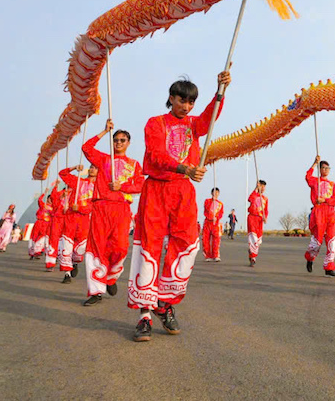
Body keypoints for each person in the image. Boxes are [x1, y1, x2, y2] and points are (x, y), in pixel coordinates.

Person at [128, 72, 228, 340]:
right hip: (156, 189)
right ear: (171, 98)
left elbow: (210, 118)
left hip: (182, 192)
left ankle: (165, 303)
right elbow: (156, 155)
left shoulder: (194, 125)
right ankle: (145, 315)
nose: (186, 106)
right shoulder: (156, 123)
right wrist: (185, 168)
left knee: (187, 245)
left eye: (191, 102)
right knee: (148, 247)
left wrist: (220, 90)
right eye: (182, 100)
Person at [83, 118, 143, 307]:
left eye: (122, 140)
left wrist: (122, 186)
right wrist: (104, 131)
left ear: (128, 143)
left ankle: (110, 276)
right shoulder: (103, 159)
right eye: (115, 140)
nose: (118, 143)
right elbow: (86, 148)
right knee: (97, 247)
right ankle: (96, 290)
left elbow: (140, 185)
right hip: (101, 207)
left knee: (120, 247)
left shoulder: (134, 165)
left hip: (121, 209)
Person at [58, 164, 96, 282]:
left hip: (84, 220)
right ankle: (67, 274)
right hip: (71, 217)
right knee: (66, 245)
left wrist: (80, 208)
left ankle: (75, 262)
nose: (92, 169)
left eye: (95, 168)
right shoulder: (79, 182)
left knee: (81, 247)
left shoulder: (99, 187)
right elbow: (62, 174)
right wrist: (74, 168)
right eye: (91, 167)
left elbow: (95, 206)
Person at [304, 156, 335, 277]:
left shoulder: (332, 184)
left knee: (332, 242)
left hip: (330, 213)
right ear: (320, 169)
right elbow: (307, 177)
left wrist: (325, 200)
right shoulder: (315, 181)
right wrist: (314, 163)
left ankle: (329, 267)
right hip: (319, 212)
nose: (326, 170)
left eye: (327, 168)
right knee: (317, 242)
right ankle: (310, 258)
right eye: (323, 168)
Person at [45, 178, 68, 272]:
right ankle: (50, 263)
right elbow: (53, 197)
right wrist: (56, 186)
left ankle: (66, 262)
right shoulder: (60, 193)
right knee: (54, 241)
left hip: (69, 221)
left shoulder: (77, 193)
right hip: (57, 220)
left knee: (67, 243)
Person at [247, 180, 268, 267]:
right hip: (252, 218)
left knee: (258, 241)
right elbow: (249, 199)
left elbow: (266, 210)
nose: (263, 188)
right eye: (261, 186)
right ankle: (253, 257)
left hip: (260, 220)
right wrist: (256, 188)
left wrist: (265, 217)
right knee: (253, 238)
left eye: (264, 187)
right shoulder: (254, 196)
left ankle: (251, 253)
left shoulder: (265, 199)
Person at [27, 190, 53, 260]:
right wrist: (44, 192)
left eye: (52, 199)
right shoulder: (43, 205)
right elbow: (39, 200)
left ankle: (37, 251)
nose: (50, 200)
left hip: (46, 224)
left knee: (42, 238)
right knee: (34, 237)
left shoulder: (53, 208)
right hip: (39, 222)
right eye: (49, 198)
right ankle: (32, 252)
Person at [202, 187, 224, 262]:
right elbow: (206, 209)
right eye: (214, 192)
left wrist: (217, 218)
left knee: (216, 240)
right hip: (208, 222)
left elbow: (221, 213)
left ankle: (216, 255)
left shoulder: (220, 204)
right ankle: (208, 255)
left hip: (216, 223)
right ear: (211, 193)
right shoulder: (207, 201)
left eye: (217, 192)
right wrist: (213, 202)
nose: (216, 194)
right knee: (206, 239)